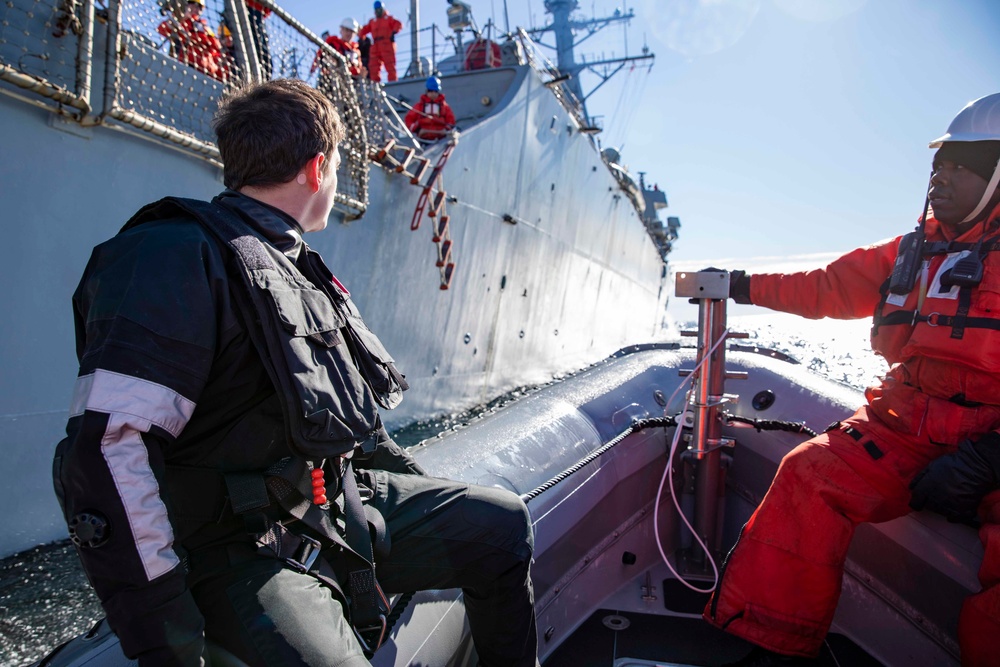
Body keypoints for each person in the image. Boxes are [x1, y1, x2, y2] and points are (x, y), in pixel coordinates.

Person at [53, 78, 538, 667]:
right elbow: (109, 447)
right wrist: (167, 637)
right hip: (241, 548)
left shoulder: (298, 266)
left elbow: (348, 418)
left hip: (337, 504)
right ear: (316, 169)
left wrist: (411, 488)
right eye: (334, 168)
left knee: (503, 527)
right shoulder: (173, 255)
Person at [703, 93, 1000, 667]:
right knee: (808, 474)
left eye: (964, 165)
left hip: (993, 441)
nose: (942, 175)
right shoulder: (911, 252)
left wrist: (990, 460)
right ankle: (774, 646)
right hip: (905, 425)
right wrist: (738, 285)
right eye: (940, 163)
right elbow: (825, 287)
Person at [157, 0, 229, 82]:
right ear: (187, 6)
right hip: (188, 66)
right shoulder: (182, 22)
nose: (196, 8)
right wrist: (182, 19)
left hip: (208, 72)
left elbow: (216, 45)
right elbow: (162, 29)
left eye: (199, 7)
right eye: (193, 4)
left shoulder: (204, 27)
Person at [312, 17, 365, 92]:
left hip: (349, 88)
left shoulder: (356, 52)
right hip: (329, 83)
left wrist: (361, 75)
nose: (348, 33)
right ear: (341, 30)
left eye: (351, 31)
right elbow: (320, 58)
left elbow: (357, 70)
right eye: (346, 30)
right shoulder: (333, 44)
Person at [358, 1, 402, 83]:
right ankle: (375, 84)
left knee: (390, 65)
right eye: (377, 10)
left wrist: (394, 32)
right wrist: (361, 37)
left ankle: (393, 82)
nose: (378, 11)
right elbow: (364, 29)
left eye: (380, 9)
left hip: (387, 44)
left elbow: (398, 24)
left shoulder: (389, 18)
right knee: (373, 66)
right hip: (375, 45)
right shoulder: (373, 21)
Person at [404, 76, 457, 141]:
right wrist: (417, 130)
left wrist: (446, 130)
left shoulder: (444, 106)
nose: (433, 94)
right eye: (431, 91)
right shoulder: (419, 106)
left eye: (435, 91)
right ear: (427, 91)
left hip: (442, 140)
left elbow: (451, 120)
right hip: (423, 140)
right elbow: (409, 119)